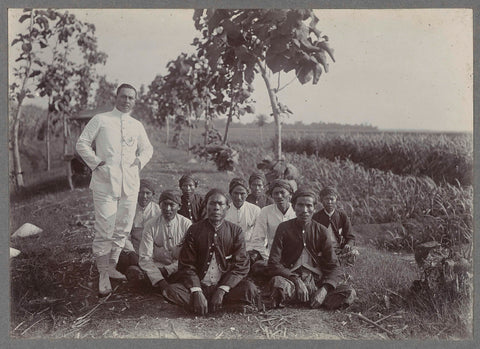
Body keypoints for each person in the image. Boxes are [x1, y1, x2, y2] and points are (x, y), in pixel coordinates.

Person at [76, 83, 153, 296]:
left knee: (123, 227)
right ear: (116, 97)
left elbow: (147, 148)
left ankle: (111, 265)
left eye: (131, 98)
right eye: (123, 96)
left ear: (135, 101)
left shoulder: (136, 125)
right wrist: (97, 162)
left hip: (129, 183)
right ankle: (102, 273)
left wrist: (139, 162)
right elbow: (82, 143)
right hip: (104, 182)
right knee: (105, 227)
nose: (127, 101)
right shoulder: (101, 119)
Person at [163, 189, 260, 315]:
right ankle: (217, 305)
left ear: (227, 207)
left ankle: (209, 305)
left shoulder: (235, 231)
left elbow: (241, 265)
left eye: (220, 204)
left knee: (250, 289)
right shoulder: (194, 230)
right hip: (200, 285)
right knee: (171, 290)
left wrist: (222, 290)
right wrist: (197, 291)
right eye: (212, 204)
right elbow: (187, 265)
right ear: (206, 206)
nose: (216, 208)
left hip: (224, 286)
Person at [268, 188, 356, 309]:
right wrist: (296, 280)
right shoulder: (284, 228)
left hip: (316, 281)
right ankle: (303, 298)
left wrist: (324, 289)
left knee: (349, 292)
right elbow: (273, 263)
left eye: (309, 206)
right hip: (291, 278)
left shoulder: (321, 231)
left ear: (314, 208)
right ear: (293, 207)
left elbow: (334, 266)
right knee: (278, 284)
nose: (305, 210)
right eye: (300, 205)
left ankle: (310, 297)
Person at [127, 190, 192, 290]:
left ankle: (153, 284)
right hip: (157, 267)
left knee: (190, 273)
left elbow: (188, 257)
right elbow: (145, 257)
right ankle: (159, 283)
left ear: (179, 207)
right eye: (164, 204)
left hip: (179, 267)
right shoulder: (151, 225)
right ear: (160, 206)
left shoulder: (186, 224)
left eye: (172, 205)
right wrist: (160, 280)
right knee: (141, 272)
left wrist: (167, 270)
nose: (167, 208)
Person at [117, 179, 161, 274]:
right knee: (122, 260)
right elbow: (125, 234)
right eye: (140, 193)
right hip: (134, 248)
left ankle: (142, 271)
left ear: (153, 194)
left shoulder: (158, 210)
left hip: (152, 248)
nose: (144, 196)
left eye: (147, 193)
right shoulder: (129, 210)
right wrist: (131, 252)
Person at [248, 180, 296, 261]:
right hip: (272, 257)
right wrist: (268, 258)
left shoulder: (297, 211)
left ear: (290, 194)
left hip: (295, 257)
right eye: (275, 193)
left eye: (282, 192)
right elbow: (257, 240)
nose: (279, 196)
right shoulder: (266, 211)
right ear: (271, 196)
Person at [312, 186, 357, 264]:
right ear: (322, 200)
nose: (329, 202)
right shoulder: (316, 217)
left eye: (332, 199)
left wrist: (348, 245)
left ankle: (337, 261)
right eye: (326, 199)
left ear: (336, 199)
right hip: (323, 250)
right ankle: (334, 261)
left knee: (354, 252)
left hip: (339, 249)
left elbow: (350, 237)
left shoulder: (342, 215)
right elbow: (312, 238)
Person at [225, 178, 261, 242]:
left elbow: (261, 234)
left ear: (247, 194)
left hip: (250, 247)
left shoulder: (255, 211)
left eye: (242, 194)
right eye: (235, 193)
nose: (239, 198)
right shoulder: (224, 210)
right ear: (230, 194)